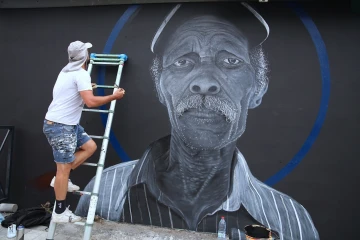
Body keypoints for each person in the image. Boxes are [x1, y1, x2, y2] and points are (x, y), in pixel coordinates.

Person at [75, 3, 319, 240]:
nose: (204, 82)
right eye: (182, 62)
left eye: (230, 61)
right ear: (160, 88)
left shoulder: (289, 221)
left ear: (258, 88)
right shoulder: (105, 191)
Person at [43, 40, 125, 223]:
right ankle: (60, 212)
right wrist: (115, 96)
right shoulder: (80, 74)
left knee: (90, 146)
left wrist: (88, 88)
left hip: (65, 124)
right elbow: (90, 102)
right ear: (85, 56)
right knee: (63, 169)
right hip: (60, 126)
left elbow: (74, 93)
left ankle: (59, 180)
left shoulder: (66, 71)